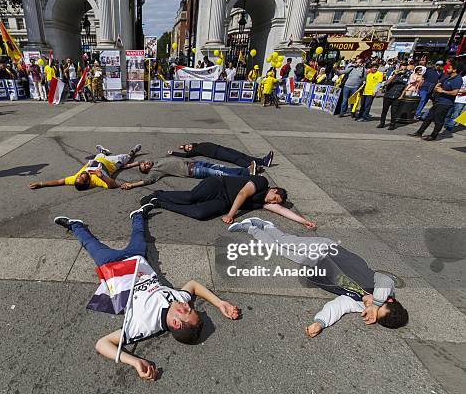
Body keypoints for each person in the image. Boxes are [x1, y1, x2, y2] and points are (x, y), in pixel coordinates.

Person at [54, 206, 239, 381]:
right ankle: (138, 215)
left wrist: (134, 361)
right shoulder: (179, 301)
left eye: (186, 311)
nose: (186, 305)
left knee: (90, 244)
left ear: (175, 322)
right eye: (189, 308)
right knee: (139, 233)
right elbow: (193, 285)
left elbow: (102, 344)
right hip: (137, 260)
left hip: (114, 268)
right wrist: (219, 302)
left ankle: (75, 225)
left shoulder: (143, 325)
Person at [228, 218, 409, 338]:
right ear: (388, 299)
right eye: (377, 304)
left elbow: (339, 306)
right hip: (327, 250)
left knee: (279, 250)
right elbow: (386, 280)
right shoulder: (380, 286)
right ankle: (265, 225)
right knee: (286, 241)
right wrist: (375, 304)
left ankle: (252, 230)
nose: (369, 305)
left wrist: (320, 323)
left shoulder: (360, 305)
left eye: (373, 312)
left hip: (317, 266)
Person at [140, 175, 315, 228]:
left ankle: (159, 202)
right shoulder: (262, 182)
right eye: (275, 199)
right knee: (191, 197)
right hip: (218, 185)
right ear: (274, 190)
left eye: (276, 202)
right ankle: (160, 193)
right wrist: (231, 215)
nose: (274, 203)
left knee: (199, 213)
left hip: (224, 202)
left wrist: (303, 220)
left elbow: (283, 211)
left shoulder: (265, 203)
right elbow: (241, 194)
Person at [28, 144, 142, 191]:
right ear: (88, 183)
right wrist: (102, 176)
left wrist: (41, 184)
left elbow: (59, 181)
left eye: (79, 176)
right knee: (126, 158)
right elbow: (113, 185)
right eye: (83, 178)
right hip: (112, 163)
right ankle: (133, 151)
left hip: (98, 158)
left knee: (100, 155)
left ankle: (103, 152)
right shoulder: (96, 180)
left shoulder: (75, 179)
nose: (82, 175)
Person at [120, 156, 260, 190]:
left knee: (220, 167)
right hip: (193, 170)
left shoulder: (155, 161)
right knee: (219, 173)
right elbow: (147, 181)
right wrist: (131, 185)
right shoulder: (155, 171)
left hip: (195, 163)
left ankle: (246, 170)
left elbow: (138, 162)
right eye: (144, 167)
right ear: (148, 170)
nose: (145, 164)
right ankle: (246, 178)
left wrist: (128, 165)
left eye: (144, 163)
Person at [409, 62, 463, 140]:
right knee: (428, 118)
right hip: (438, 100)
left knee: (438, 120)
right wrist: (437, 86)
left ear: (455, 70)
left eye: (449, 68)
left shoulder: (458, 79)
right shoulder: (447, 76)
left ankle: (433, 136)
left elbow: (455, 92)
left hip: (445, 103)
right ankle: (419, 132)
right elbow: (440, 84)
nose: (447, 69)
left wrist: (442, 91)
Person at [168, 142, 273, 169]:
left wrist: (183, 146)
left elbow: (188, 145)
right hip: (218, 153)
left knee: (242, 155)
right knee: (235, 159)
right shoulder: (196, 150)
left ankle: (263, 161)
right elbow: (186, 156)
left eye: (189, 146)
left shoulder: (199, 144)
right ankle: (250, 167)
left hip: (221, 148)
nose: (189, 148)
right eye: (188, 149)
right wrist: (173, 153)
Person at [376, 62, 411, 130]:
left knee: (394, 111)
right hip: (388, 95)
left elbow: (405, 87)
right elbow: (386, 83)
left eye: (405, 66)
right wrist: (394, 75)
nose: (404, 68)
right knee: (384, 110)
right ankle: (382, 123)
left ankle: (392, 124)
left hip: (397, 96)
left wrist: (401, 96)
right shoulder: (393, 73)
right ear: (400, 67)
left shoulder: (407, 76)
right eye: (403, 66)